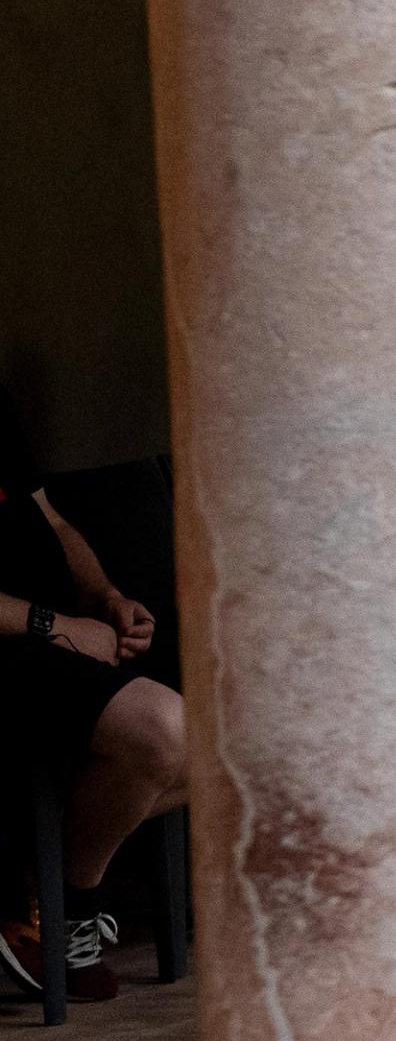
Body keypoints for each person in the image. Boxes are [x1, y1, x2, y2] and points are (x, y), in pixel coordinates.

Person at [0, 386, 182, 1005]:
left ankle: (35, 879)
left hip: (51, 641)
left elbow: (49, 517)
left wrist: (105, 598)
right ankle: (70, 904)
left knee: (238, 738)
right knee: (161, 728)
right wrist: (54, 625)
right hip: (11, 647)